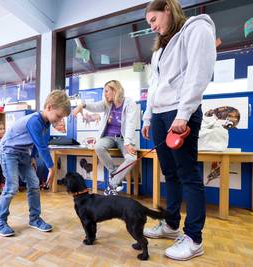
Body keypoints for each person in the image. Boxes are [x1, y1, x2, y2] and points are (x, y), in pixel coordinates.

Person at [141, 0, 216, 261]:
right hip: (160, 115)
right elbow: (154, 85)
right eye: (148, 23)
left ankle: (194, 239)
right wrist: (148, 117)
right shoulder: (159, 50)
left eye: (153, 20)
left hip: (179, 113)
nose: (151, 27)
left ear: (168, 10)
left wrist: (183, 114)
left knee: (188, 175)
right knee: (170, 174)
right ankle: (171, 225)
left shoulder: (196, 29)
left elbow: (199, 72)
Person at [0, 90, 71, 237]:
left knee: (34, 184)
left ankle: (34, 219)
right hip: (9, 152)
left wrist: (33, 157)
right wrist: (51, 167)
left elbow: (37, 142)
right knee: (12, 187)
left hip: (23, 153)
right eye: (59, 116)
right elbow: (42, 146)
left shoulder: (45, 122)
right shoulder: (34, 120)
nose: (59, 120)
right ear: (49, 107)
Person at [72, 80, 139, 196]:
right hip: (108, 137)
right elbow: (94, 106)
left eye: (107, 91)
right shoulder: (108, 104)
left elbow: (131, 124)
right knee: (98, 146)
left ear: (115, 90)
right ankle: (114, 173)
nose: (105, 94)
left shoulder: (130, 103)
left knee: (132, 158)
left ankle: (113, 183)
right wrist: (82, 105)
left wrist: (128, 143)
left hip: (124, 139)